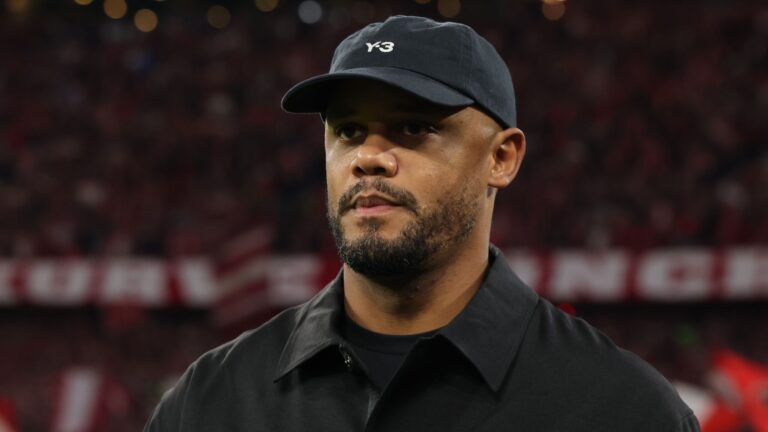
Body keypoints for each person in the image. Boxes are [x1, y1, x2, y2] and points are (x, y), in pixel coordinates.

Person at [145, 15, 699, 431]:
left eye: (413, 128)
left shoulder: (624, 410)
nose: (368, 157)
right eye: (348, 131)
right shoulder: (208, 402)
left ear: (501, 158)